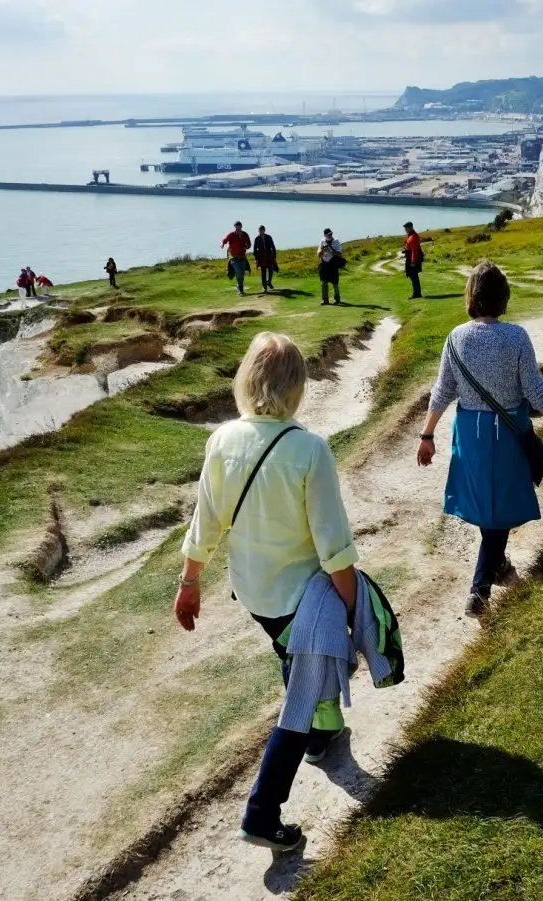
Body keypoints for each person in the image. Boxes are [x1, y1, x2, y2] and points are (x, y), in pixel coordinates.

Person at [175, 332, 361, 853]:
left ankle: (324, 737)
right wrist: (351, 608)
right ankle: (262, 814)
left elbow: (204, 523)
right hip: (302, 596)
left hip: (253, 591)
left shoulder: (221, 441)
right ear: (298, 387)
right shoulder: (309, 450)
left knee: (295, 657)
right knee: (300, 695)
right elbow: (335, 547)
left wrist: (189, 583)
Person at [416, 261, 543, 616]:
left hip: (471, 434)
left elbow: (442, 391)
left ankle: (498, 564)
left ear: (471, 297)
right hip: (507, 433)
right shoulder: (516, 337)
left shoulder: (455, 338)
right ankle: (480, 589)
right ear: (503, 297)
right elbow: (536, 392)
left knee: (488, 506)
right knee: (498, 510)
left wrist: (427, 434)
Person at [222, 221, 252, 296]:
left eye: (239, 226)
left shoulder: (245, 234)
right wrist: (222, 244)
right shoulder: (231, 234)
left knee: (242, 274)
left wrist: (246, 247)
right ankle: (240, 290)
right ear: (235, 227)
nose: (238, 228)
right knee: (238, 272)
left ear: (241, 226)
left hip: (242, 256)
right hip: (233, 257)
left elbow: (249, 244)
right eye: (236, 226)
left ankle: (240, 288)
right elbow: (225, 239)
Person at [317, 228, 343, 305]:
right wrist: (322, 250)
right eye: (328, 234)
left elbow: (340, 254)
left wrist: (331, 251)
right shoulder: (322, 241)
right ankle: (325, 300)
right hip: (324, 264)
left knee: (335, 283)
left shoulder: (336, 241)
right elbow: (318, 254)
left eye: (331, 234)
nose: (330, 235)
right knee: (324, 283)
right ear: (325, 235)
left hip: (333, 264)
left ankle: (337, 299)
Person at [401, 221, 423, 299]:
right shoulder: (410, 235)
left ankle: (417, 294)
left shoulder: (414, 236)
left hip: (413, 259)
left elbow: (414, 250)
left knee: (414, 276)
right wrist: (405, 249)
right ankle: (417, 293)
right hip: (410, 258)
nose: (405, 229)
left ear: (410, 228)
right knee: (412, 276)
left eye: (406, 228)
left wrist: (413, 261)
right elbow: (409, 246)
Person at [254, 226, 278, 293]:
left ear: (264, 230)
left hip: (269, 256)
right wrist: (256, 259)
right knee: (263, 272)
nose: (260, 231)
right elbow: (255, 249)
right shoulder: (257, 239)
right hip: (261, 257)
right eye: (259, 230)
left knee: (271, 270)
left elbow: (273, 247)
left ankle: (269, 282)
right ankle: (264, 287)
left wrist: (274, 256)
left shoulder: (269, 237)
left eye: (261, 230)